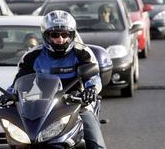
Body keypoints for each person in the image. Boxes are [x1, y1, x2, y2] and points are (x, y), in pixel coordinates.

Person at [7, 10, 106, 149]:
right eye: (55, 35)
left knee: (96, 145)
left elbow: (93, 77)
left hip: (77, 104)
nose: (60, 39)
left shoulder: (82, 52)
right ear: (45, 35)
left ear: (72, 35)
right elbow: (18, 82)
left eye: (65, 34)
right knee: (20, 143)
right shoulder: (32, 56)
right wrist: (8, 94)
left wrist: (91, 90)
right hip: (41, 108)